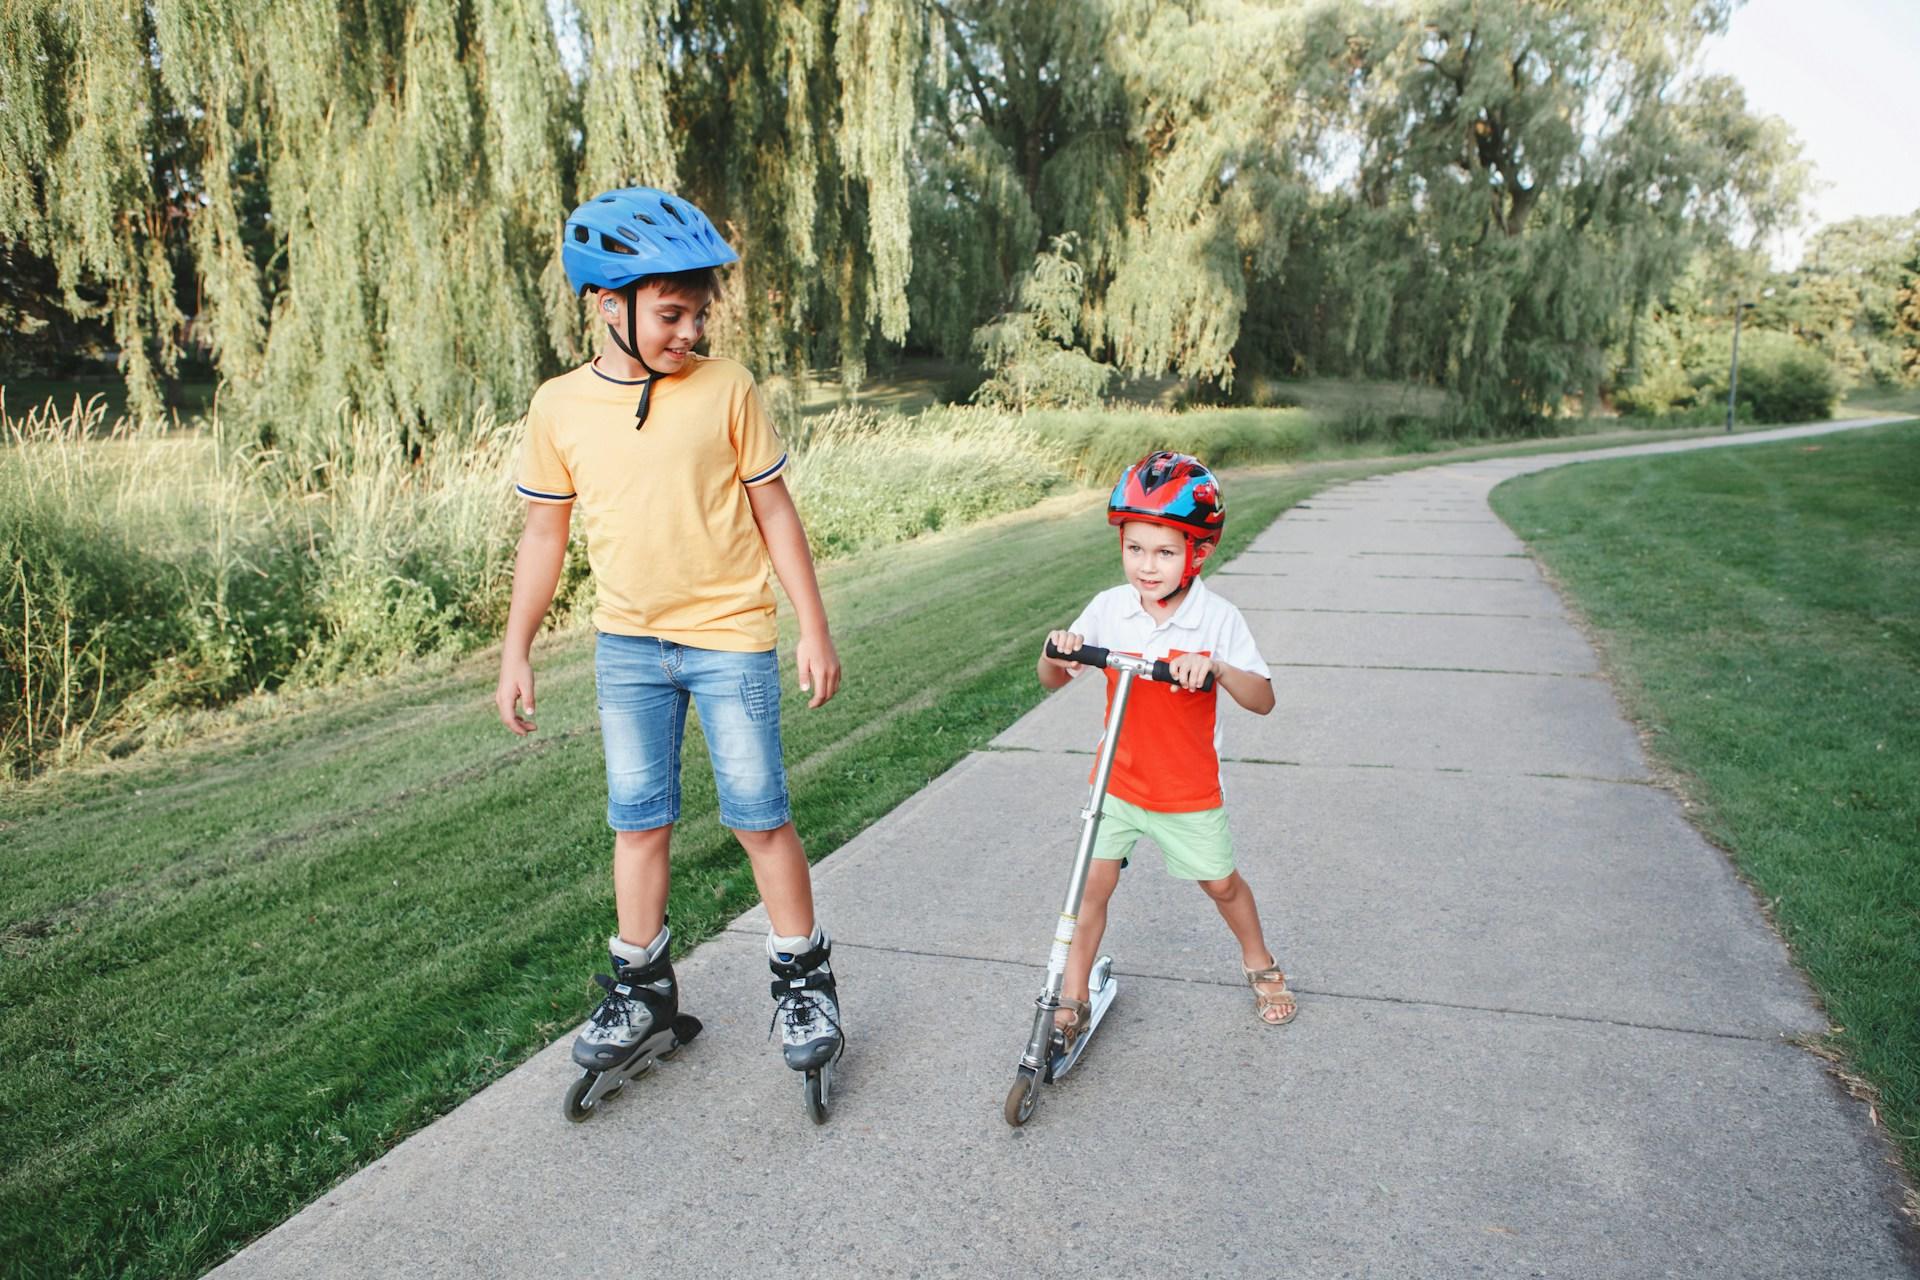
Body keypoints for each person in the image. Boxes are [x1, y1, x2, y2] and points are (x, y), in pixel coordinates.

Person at [494, 186, 843, 1089]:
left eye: (697, 313)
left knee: (759, 815)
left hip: (730, 638)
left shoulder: (726, 389)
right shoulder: (558, 407)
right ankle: (641, 988)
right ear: (609, 307)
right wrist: (517, 647)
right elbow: (544, 536)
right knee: (638, 819)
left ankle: (803, 983)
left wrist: (811, 625)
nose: (689, 331)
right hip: (629, 649)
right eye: (669, 313)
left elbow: (774, 508)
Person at [1038, 450, 1294, 1043]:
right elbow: (1052, 678)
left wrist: (1219, 668)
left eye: (1164, 552)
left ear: (1197, 554)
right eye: (1135, 548)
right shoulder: (1109, 607)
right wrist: (1057, 649)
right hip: (1117, 783)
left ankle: (1259, 960)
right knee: (1090, 888)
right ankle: (1073, 998)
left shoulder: (1217, 618)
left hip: (1186, 792)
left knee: (1221, 884)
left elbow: (1263, 700)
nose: (1146, 566)